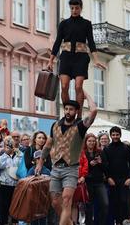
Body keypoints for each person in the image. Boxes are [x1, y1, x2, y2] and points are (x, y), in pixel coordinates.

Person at [35, 91, 97, 225]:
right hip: (56, 169)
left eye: (71, 109)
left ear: (76, 111)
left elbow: (94, 111)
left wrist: (86, 95)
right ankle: (70, 223)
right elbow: (48, 145)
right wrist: (40, 163)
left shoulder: (80, 126)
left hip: (71, 169)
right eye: (66, 109)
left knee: (67, 199)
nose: (68, 111)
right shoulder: (55, 125)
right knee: (55, 202)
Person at [47, 0, 106, 119]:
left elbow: (91, 42)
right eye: (72, 8)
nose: (74, 10)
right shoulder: (63, 24)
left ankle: (78, 115)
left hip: (81, 57)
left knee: (78, 86)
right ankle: (68, 113)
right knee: (64, 86)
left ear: (81, 8)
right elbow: (57, 42)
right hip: (66, 56)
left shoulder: (86, 24)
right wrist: (50, 61)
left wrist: (96, 60)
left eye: (76, 8)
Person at [103, 126, 130, 225]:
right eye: (113, 135)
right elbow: (105, 166)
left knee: (124, 202)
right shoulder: (107, 149)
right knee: (114, 203)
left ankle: (125, 222)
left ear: (120, 135)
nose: (115, 136)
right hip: (112, 181)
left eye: (117, 134)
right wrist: (108, 178)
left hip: (125, 180)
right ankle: (117, 222)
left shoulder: (126, 147)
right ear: (111, 136)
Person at [83, 133, 108, 225]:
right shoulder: (83, 153)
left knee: (105, 204)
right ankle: (89, 223)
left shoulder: (100, 152)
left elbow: (106, 168)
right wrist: (90, 164)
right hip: (87, 182)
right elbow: (80, 168)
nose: (92, 143)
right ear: (86, 142)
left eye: (93, 141)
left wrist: (100, 163)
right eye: (89, 141)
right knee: (89, 206)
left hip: (99, 182)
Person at [0, 136, 23, 225]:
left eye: (11, 144)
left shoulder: (20, 155)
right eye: (7, 145)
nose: (9, 146)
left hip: (16, 185)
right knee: (3, 208)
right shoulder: (1, 157)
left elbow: (22, 166)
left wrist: (18, 152)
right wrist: (6, 154)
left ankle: (14, 223)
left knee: (16, 207)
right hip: (4, 185)